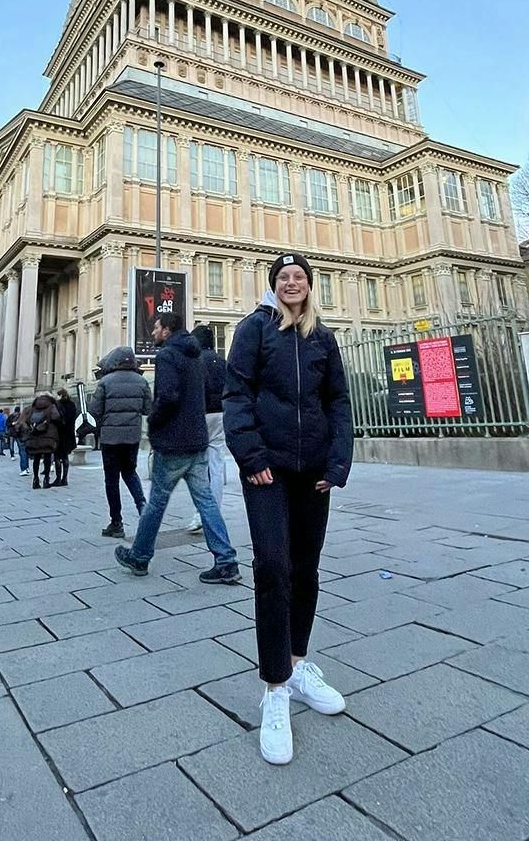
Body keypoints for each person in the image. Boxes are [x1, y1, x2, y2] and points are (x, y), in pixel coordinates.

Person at [224, 251, 353, 766]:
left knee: (305, 568)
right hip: (267, 471)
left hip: (312, 472)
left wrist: (336, 463)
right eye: (284, 278)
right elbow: (236, 396)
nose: (292, 283)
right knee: (273, 566)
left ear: (309, 285)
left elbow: (339, 402)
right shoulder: (254, 330)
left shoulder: (322, 337)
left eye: (299, 276)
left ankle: (298, 663)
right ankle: (275, 687)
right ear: (273, 286)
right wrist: (251, 455)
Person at [115, 313, 240, 584]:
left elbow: (168, 395)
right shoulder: (195, 355)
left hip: (173, 441)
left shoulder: (168, 355)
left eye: (156, 328)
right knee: (206, 502)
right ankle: (226, 560)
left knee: (156, 503)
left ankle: (139, 556)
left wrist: (154, 419)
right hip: (196, 438)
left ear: (167, 330)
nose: (153, 333)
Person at [90, 346, 149, 537]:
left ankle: (116, 523)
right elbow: (148, 408)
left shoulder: (105, 382)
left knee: (111, 480)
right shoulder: (141, 381)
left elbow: (95, 410)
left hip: (110, 438)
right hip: (132, 437)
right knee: (130, 473)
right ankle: (143, 509)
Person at [187, 325, 227, 535]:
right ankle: (215, 512)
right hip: (221, 414)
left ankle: (199, 514)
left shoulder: (194, 361)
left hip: (200, 416)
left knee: (199, 468)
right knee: (217, 465)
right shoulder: (222, 361)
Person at [23, 394, 60, 488]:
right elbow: (56, 417)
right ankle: (46, 480)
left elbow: (27, 419)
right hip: (48, 436)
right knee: (47, 458)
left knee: (36, 458)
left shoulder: (34, 407)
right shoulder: (51, 406)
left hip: (35, 436)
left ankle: (35, 479)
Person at [52, 388, 78, 487]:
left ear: (60, 395)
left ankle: (58, 479)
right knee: (65, 456)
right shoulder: (72, 405)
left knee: (57, 457)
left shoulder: (57, 405)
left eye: (57, 395)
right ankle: (65, 479)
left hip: (59, 433)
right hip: (69, 433)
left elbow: (55, 418)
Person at [8, 408, 29, 475]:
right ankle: (27, 468)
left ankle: (24, 468)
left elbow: (17, 428)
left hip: (20, 436)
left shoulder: (19, 419)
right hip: (27, 437)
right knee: (26, 452)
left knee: (22, 452)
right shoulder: (27, 418)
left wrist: (14, 424)